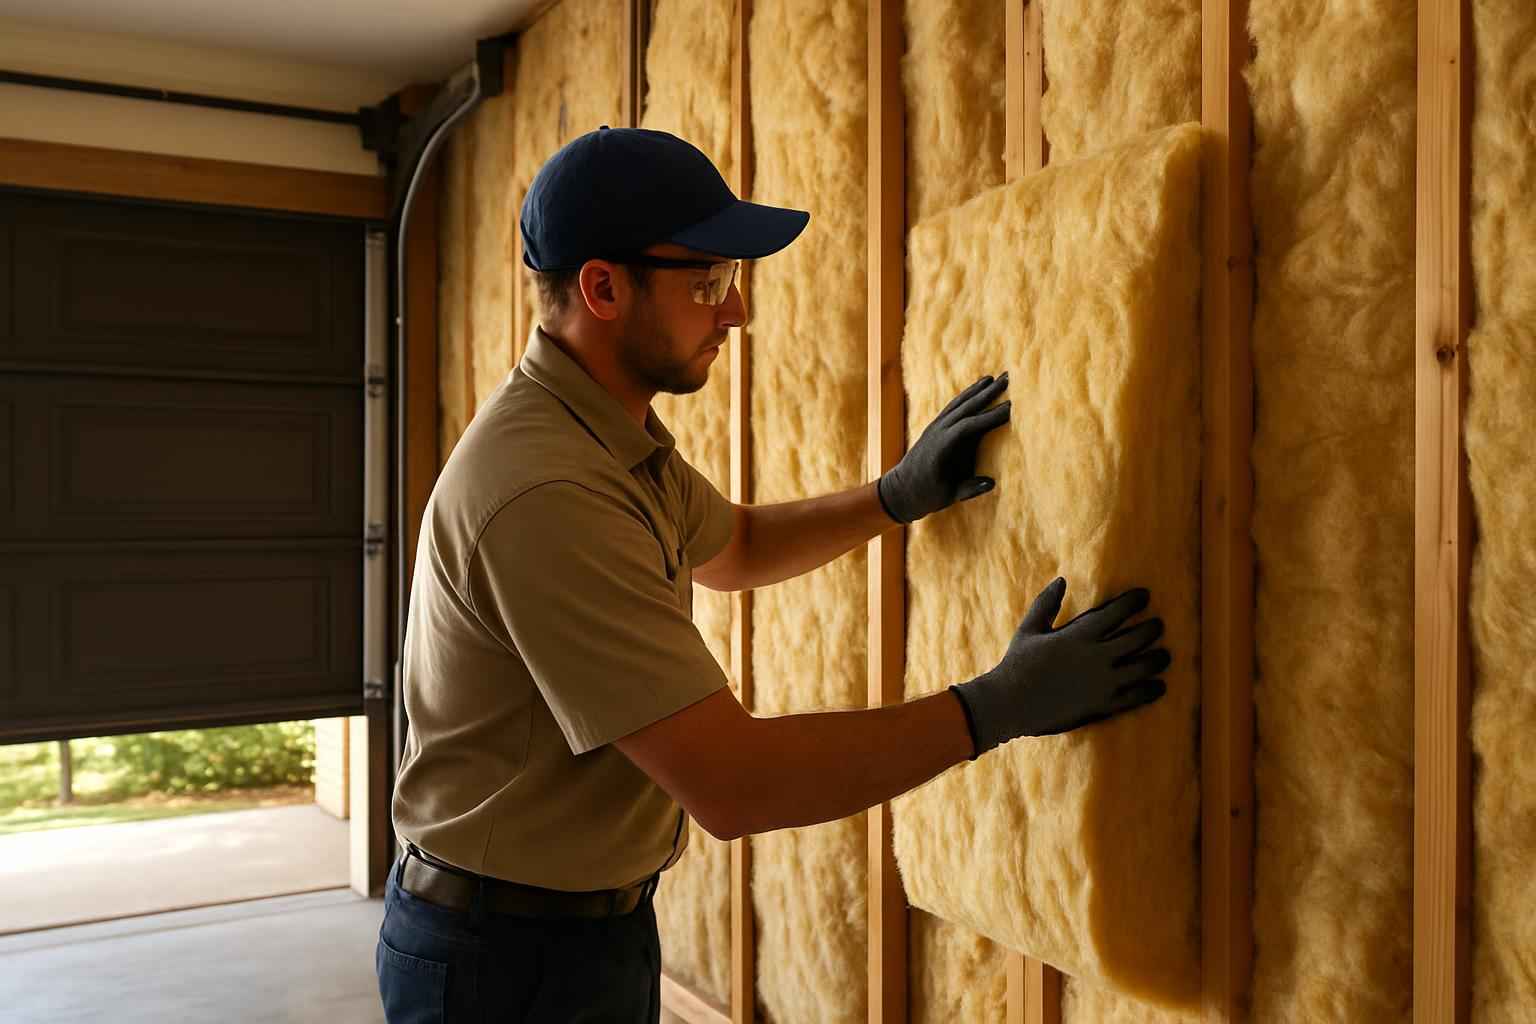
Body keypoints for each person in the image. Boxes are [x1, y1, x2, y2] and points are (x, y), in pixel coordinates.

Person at [376, 126, 1171, 1023]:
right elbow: (736, 785)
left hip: (581, 929)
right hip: (501, 965)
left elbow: (736, 549)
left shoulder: (601, 433)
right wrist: (995, 708)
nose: (736, 311)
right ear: (602, 287)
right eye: (708, 281)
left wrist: (894, 497)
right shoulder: (547, 491)